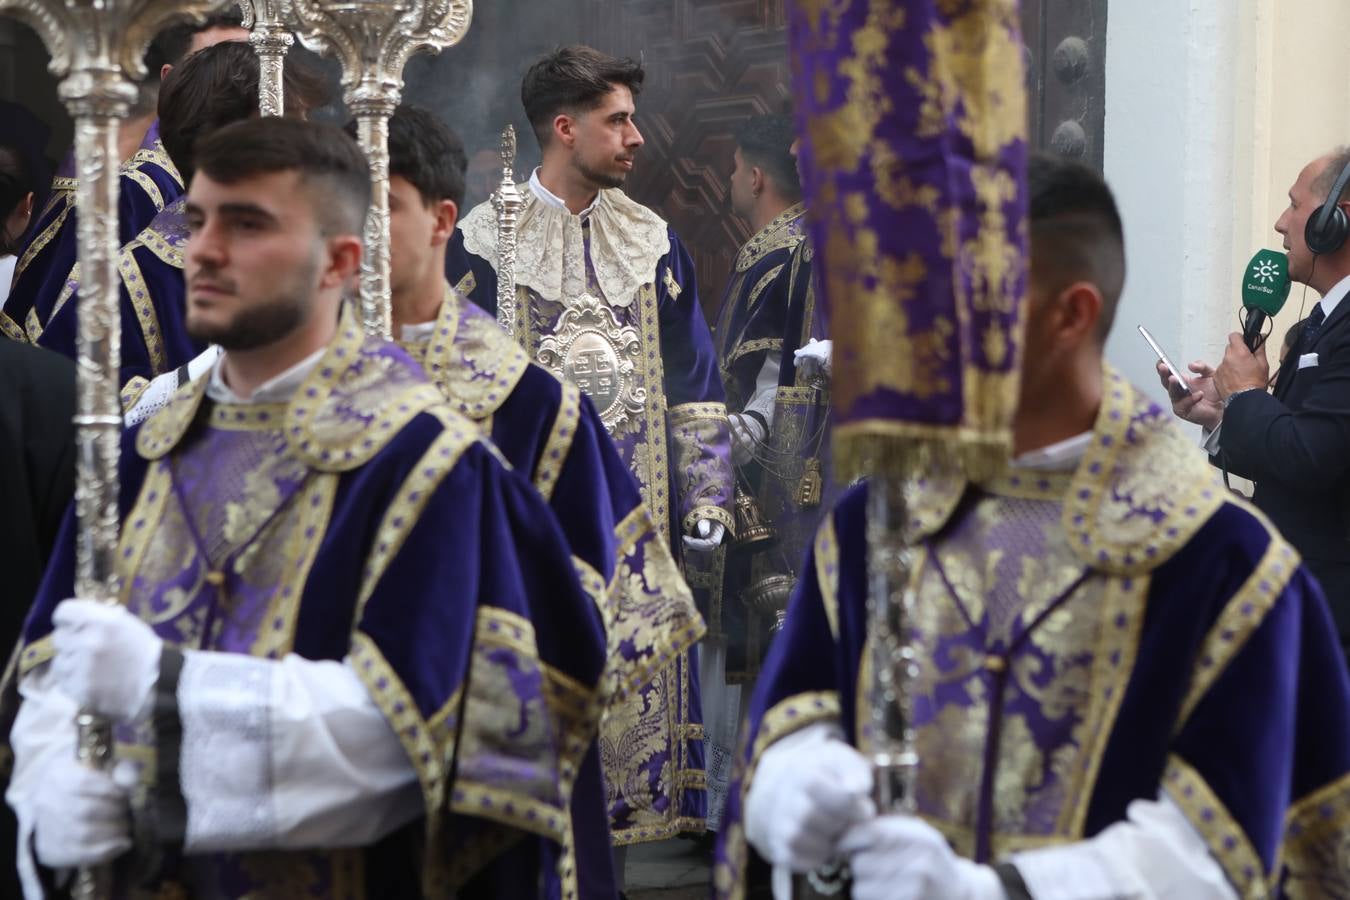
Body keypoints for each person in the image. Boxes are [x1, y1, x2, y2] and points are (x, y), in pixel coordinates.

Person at [714, 154, 1350, 899]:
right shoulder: (876, 523)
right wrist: (797, 790)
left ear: (1069, 314)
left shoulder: (1225, 565)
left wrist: (997, 891)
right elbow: (795, 714)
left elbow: (1234, 844)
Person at [6, 118, 613, 899]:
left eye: (248, 224)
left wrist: (167, 696)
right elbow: (49, 668)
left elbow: (414, 738)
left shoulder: (430, 468)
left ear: (341, 261)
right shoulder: (138, 457)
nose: (206, 251)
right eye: (197, 222)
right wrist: (49, 786)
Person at [369, 103, 706, 894]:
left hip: (505, 763)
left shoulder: (534, 406)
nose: (346, 240)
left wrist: (709, 494)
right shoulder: (294, 393)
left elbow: (620, 621)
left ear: (438, 221)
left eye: (377, 208)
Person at [446, 45, 734, 846]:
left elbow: (697, 381)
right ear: (566, 129)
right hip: (528, 525)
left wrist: (706, 494)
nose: (637, 136)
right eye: (620, 121)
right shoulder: (480, 245)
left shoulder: (655, 243)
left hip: (635, 521)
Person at [41, 41, 330, 402]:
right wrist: (216, 370)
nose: (311, 145)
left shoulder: (329, 246)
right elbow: (66, 404)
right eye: (294, 124)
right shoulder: (135, 278)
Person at [1161, 147, 1350, 657]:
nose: (1279, 223)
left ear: (1336, 219)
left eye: (1294, 205)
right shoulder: (1323, 322)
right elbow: (1299, 439)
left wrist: (1245, 393)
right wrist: (1224, 416)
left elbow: (1313, 457)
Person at [0, 12, 249, 345]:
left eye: (251, 68)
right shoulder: (139, 186)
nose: (239, 85)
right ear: (170, 79)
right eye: (212, 64)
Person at [702, 112, 806, 829]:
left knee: (756, 617)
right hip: (750, 468)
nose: (734, 181)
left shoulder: (790, 253)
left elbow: (781, 371)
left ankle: (746, 799)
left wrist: (730, 438)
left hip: (774, 474)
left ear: (757, 175)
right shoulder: (768, 248)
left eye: (737, 168)